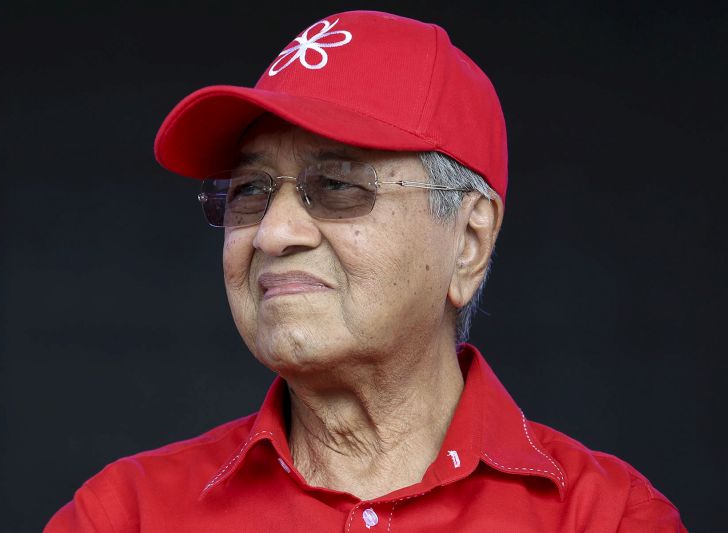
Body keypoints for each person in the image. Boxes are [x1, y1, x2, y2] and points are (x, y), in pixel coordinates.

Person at [45, 10, 686, 532]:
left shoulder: (604, 518)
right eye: (248, 191)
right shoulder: (126, 515)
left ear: (468, 240)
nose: (273, 232)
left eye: (337, 185)